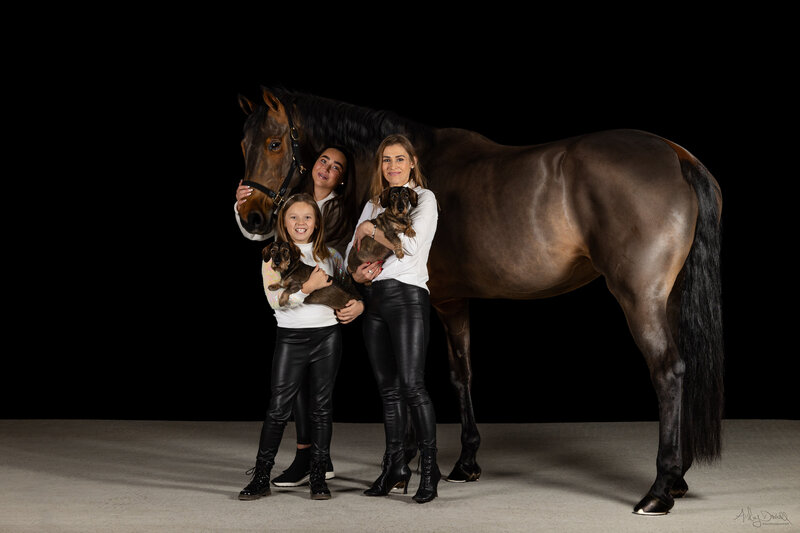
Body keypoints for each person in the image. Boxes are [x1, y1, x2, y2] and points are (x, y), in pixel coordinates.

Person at [235, 146, 358, 487]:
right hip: (291, 338)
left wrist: (358, 305)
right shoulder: (274, 257)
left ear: (316, 223)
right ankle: (261, 475)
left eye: (307, 218)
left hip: (327, 337)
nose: (301, 223)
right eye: (293, 218)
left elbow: (351, 287)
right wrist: (307, 288)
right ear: (283, 222)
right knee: (279, 407)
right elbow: (276, 301)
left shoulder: (330, 256)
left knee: (322, 408)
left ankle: (318, 475)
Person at [346, 134, 441, 503]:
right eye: (386, 160)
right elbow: (353, 249)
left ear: (412, 162)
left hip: (407, 298)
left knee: (413, 386)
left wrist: (370, 230)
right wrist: (355, 273)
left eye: (400, 159)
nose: (392, 166)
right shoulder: (374, 202)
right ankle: (395, 468)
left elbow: (411, 248)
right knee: (388, 392)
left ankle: (429, 472)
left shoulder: (424, 198)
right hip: (375, 301)